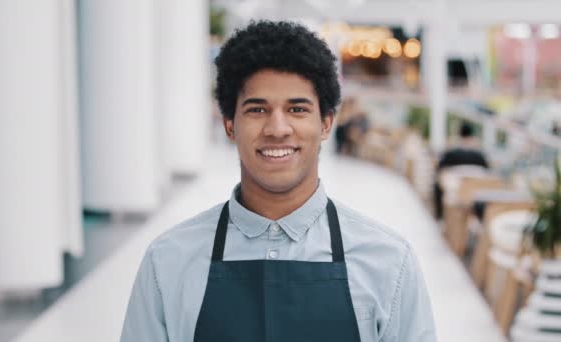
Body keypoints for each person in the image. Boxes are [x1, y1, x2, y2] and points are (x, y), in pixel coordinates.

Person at [121, 21, 436, 342]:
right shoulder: (169, 262)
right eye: (257, 109)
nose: (278, 128)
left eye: (297, 109)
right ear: (230, 125)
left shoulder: (388, 263)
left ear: (326, 124)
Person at [433, 122, 489, 219]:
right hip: (475, 196)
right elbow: (487, 171)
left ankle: (440, 216)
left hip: (455, 195)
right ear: (472, 135)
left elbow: (439, 169)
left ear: (459, 134)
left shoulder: (452, 153)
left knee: (438, 183)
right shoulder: (479, 155)